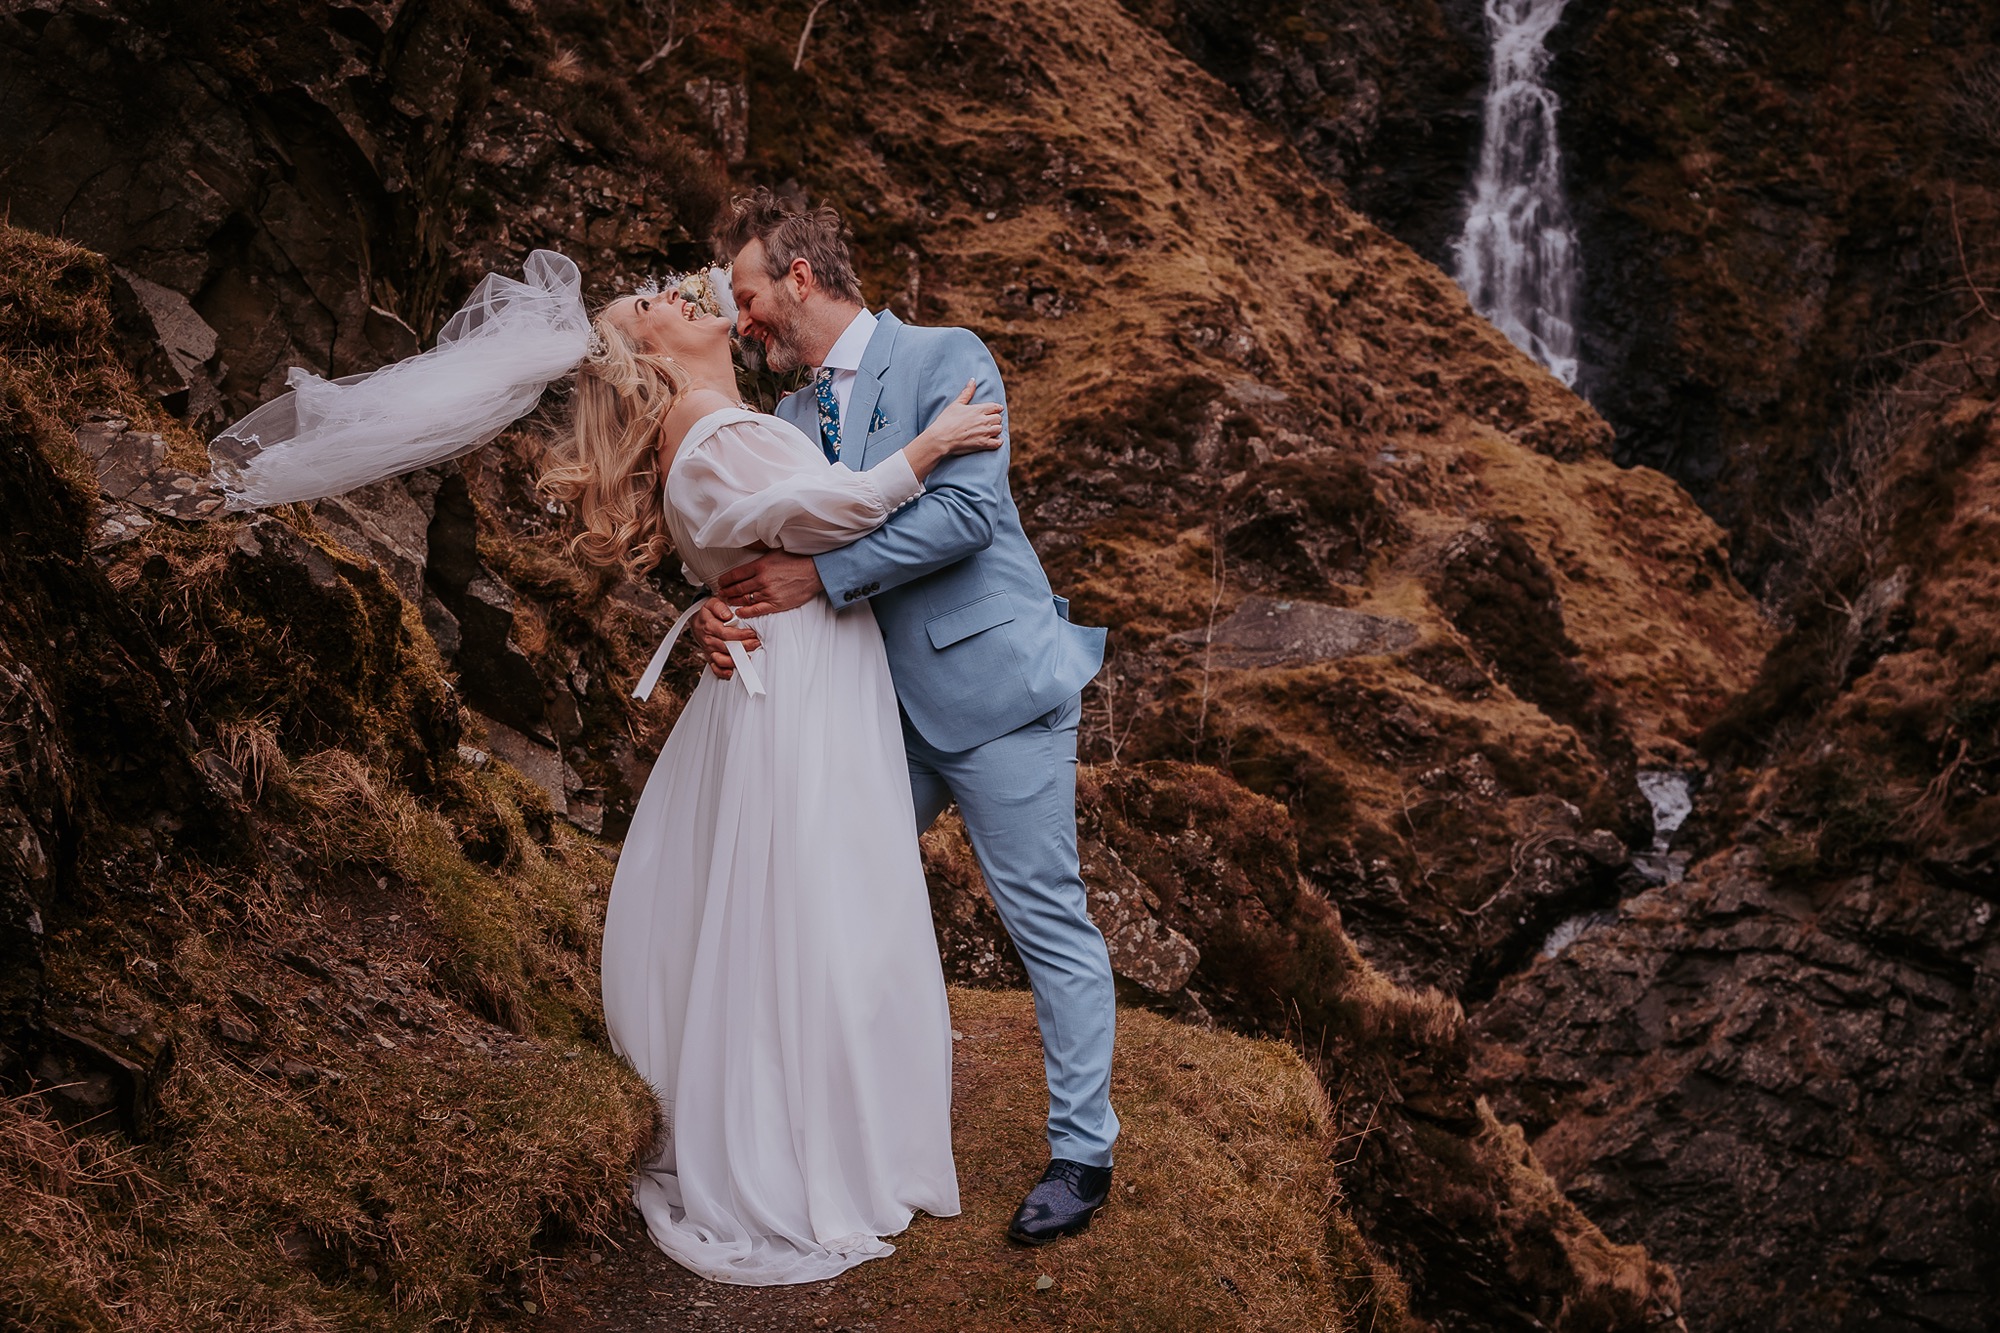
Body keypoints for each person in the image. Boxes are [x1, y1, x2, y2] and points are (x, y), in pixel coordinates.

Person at [537, 282, 1018, 1284]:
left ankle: (823, 1117)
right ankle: (805, 1145)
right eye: (652, 301)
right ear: (653, 354)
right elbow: (821, 513)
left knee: (805, 889)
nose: (679, 288)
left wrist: (712, 604)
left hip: (800, 662)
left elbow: (751, 539)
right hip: (798, 675)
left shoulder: (715, 428)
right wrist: (933, 445)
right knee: (810, 893)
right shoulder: (707, 429)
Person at [691, 191, 1121, 1245]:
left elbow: (968, 514)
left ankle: (1083, 1154)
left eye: (747, 297)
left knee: (1044, 922)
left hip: (996, 698)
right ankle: (839, 1130)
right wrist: (711, 608)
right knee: (827, 897)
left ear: (798, 276)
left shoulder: (945, 355)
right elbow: (765, 547)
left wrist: (819, 578)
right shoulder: (785, 422)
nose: (742, 322)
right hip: (872, 712)